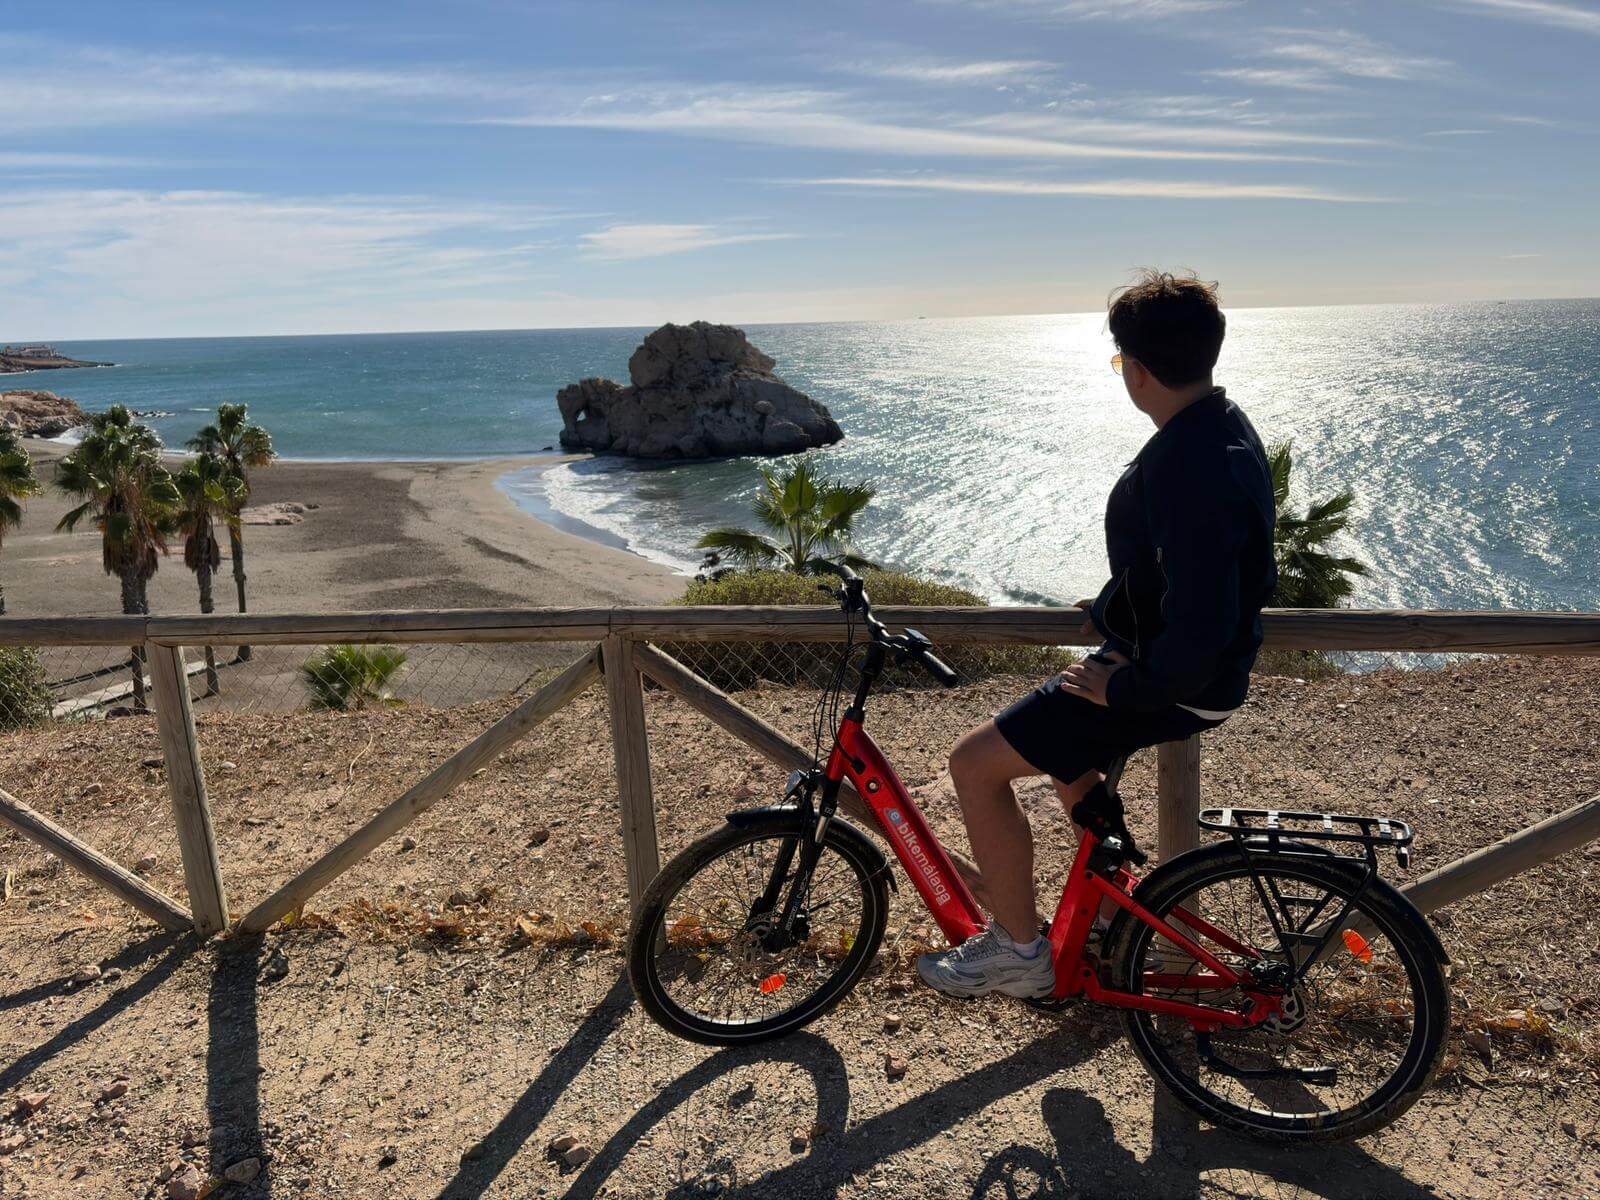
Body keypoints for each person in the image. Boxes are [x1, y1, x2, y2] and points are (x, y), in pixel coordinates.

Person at [917, 270, 1278, 999]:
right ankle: (1109, 894)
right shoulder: (1222, 428)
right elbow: (1180, 572)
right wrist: (1114, 609)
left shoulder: (1190, 464)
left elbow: (1205, 611)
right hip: (1176, 669)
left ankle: (1018, 952)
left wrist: (1126, 690)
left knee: (974, 765)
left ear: (1138, 370)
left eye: (1121, 362)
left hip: (1172, 681)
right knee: (1060, 749)